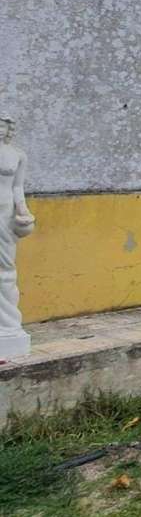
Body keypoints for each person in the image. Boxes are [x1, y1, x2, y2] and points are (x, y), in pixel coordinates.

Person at [0, 115, 35, 358]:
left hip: (5, 214)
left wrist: (23, 211)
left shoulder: (18, 154)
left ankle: (8, 325)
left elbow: (17, 188)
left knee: (6, 269)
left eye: (2, 126)